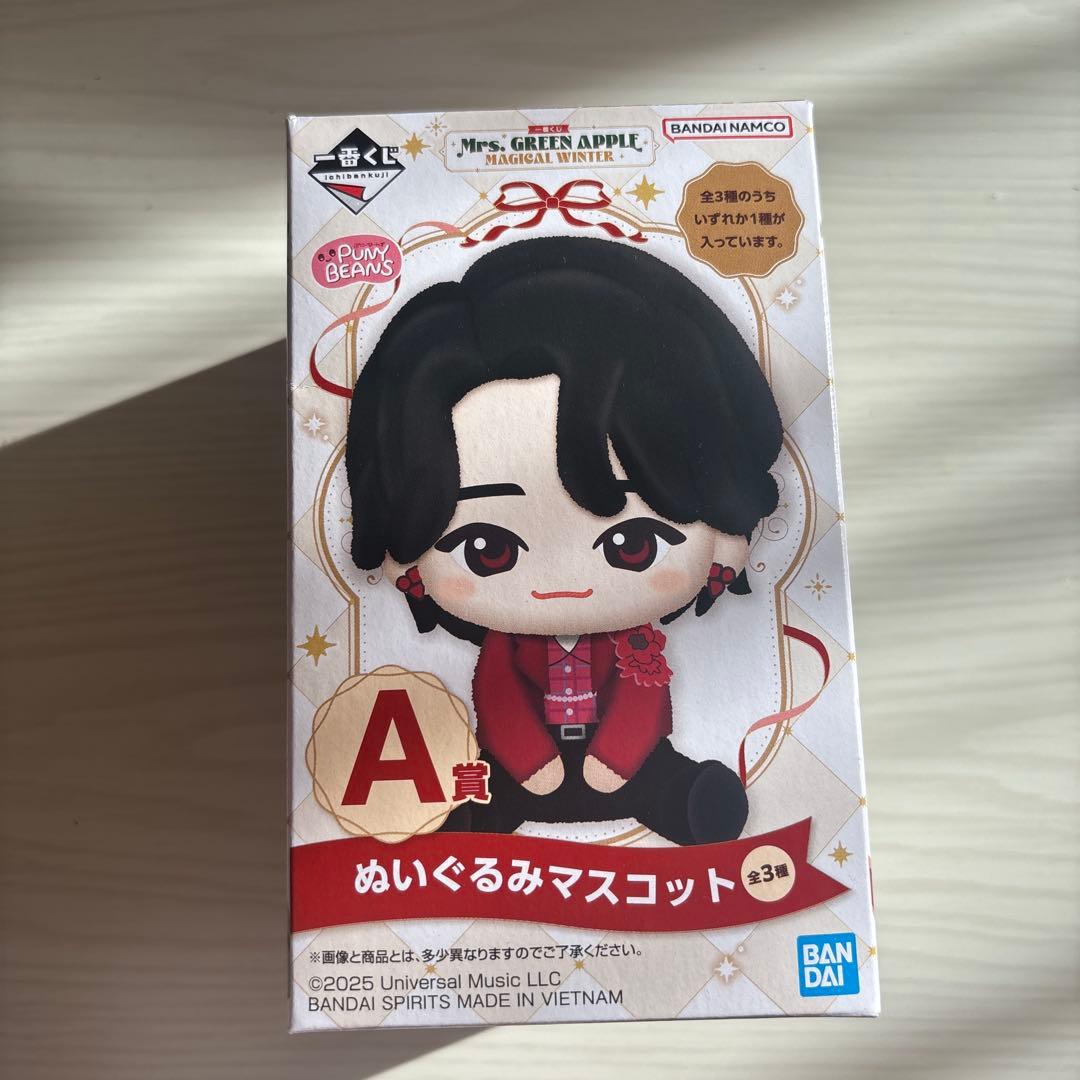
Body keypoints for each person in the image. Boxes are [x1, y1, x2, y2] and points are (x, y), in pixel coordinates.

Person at [345, 236, 783, 844]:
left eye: (632, 545)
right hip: (523, 769)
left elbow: (641, 699)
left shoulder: (636, 644)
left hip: (629, 766)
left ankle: (686, 804)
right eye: (488, 551)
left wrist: (616, 759)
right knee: (485, 795)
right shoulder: (507, 649)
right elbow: (497, 695)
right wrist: (531, 762)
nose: (562, 583)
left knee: (666, 783)